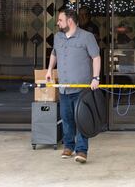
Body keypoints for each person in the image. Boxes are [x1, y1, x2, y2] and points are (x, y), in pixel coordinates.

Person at [46, 8, 100, 164]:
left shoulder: (87, 37)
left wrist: (95, 77)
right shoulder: (57, 37)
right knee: (66, 118)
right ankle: (68, 146)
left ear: (69, 21)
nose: (58, 23)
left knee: (82, 119)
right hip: (64, 88)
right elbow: (54, 53)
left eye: (60, 20)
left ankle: (82, 151)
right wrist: (50, 70)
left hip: (82, 89)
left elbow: (96, 57)